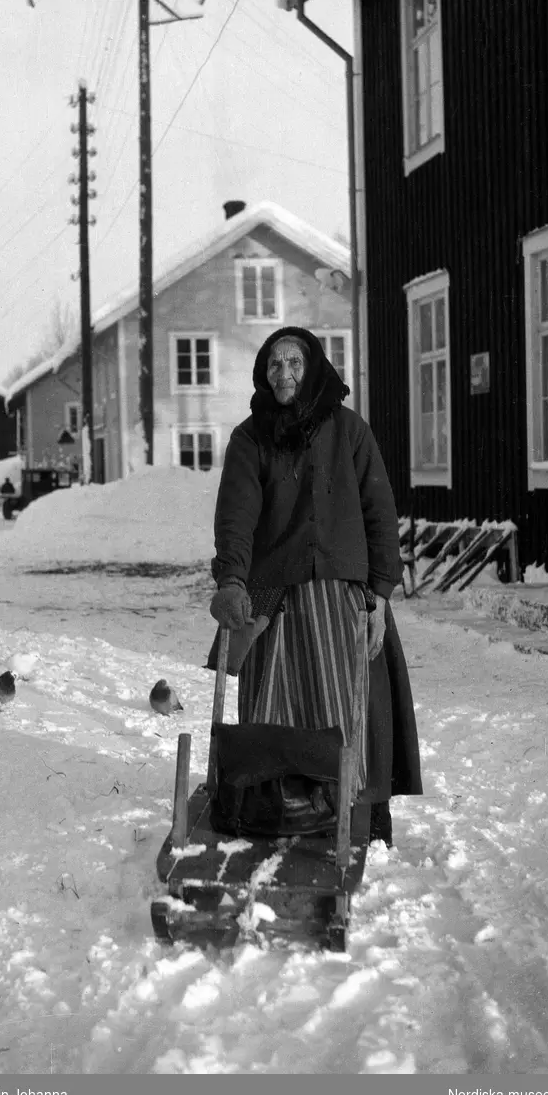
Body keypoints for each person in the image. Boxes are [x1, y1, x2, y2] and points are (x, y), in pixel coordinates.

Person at [207, 327, 422, 847]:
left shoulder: (348, 430)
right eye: (275, 365)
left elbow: (379, 512)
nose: (285, 375)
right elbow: (236, 518)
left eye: (295, 364)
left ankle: (349, 810)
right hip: (270, 590)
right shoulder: (249, 438)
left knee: (344, 701)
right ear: (263, 372)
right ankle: (270, 807)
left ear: (314, 368)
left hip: (342, 591)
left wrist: (380, 594)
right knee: (269, 702)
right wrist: (233, 580)